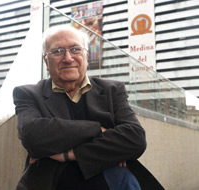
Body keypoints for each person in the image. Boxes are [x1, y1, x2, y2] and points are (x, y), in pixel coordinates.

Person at [13, 25, 164, 190]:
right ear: (46, 61)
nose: (68, 58)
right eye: (57, 51)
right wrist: (99, 130)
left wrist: (69, 154)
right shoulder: (28, 94)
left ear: (86, 55)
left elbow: (135, 139)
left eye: (75, 49)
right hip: (52, 183)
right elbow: (31, 134)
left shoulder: (112, 90)